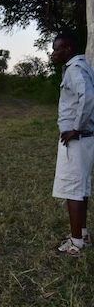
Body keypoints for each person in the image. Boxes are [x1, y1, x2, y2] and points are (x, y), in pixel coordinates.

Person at [51, 32, 94, 256]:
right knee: (80, 188)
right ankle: (82, 233)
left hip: (77, 139)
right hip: (82, 138)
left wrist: (76, 127)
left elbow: (88, 96)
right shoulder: (80, 67)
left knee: (73, 190)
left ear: (67, 49)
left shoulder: (75, 69)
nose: (53, 53)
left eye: (56, 49)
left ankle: (76, 244)